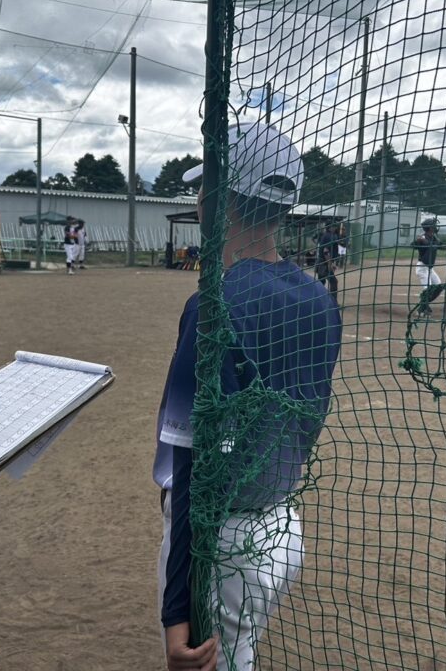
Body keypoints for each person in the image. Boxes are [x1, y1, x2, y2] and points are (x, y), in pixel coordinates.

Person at [153, 122, 342, 671]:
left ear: (219, 196)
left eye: (203, 184)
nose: (197, 195)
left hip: (219, 540)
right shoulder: (319, 298)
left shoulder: (212, 304)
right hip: (280, 529)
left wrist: (175, 611)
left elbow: (193, 469)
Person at [414, 217, 443, 315]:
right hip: (422, 268)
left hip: (430, 268)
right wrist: (419, 241)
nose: (436, 227)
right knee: (428, 290)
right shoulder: (423, 237)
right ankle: (421, 310)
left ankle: (424, 304)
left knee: (439, 287)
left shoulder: (433, 237)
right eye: (434, 225)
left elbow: (440, 245)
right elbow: (412, 245)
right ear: (430, 228)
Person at [314, 224, 338, 299]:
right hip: (324, 263)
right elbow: (326, 251)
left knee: (321, 282)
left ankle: (317, 300)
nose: (335, 227)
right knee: (333, 282)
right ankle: (333, 302)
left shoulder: (327, 235)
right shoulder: (329, 236)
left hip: (321, 262)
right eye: (334, 226)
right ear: (329, 227)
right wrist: (330, 264)